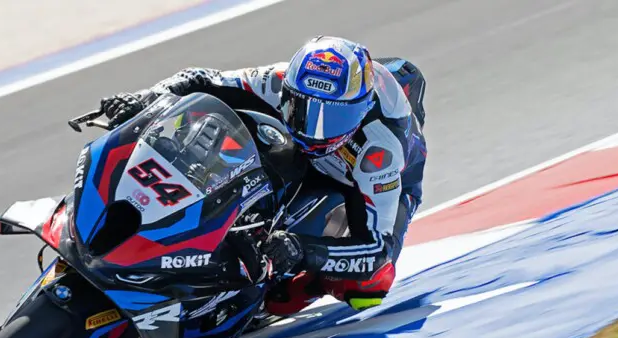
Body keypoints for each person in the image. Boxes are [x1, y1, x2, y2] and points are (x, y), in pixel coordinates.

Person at [100, 36, 427, 314]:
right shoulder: (279, 79)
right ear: (289, 89)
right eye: (304, 109)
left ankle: (289, 288)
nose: (316, 130)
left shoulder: (379, 153)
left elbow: (376, 252)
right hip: (295, 148)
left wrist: (301, 249)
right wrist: (146, 98)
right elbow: (201, 79)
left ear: (360, 110)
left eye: (333, 118)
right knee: (227, 120)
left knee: (369, 286)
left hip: (359, 181)